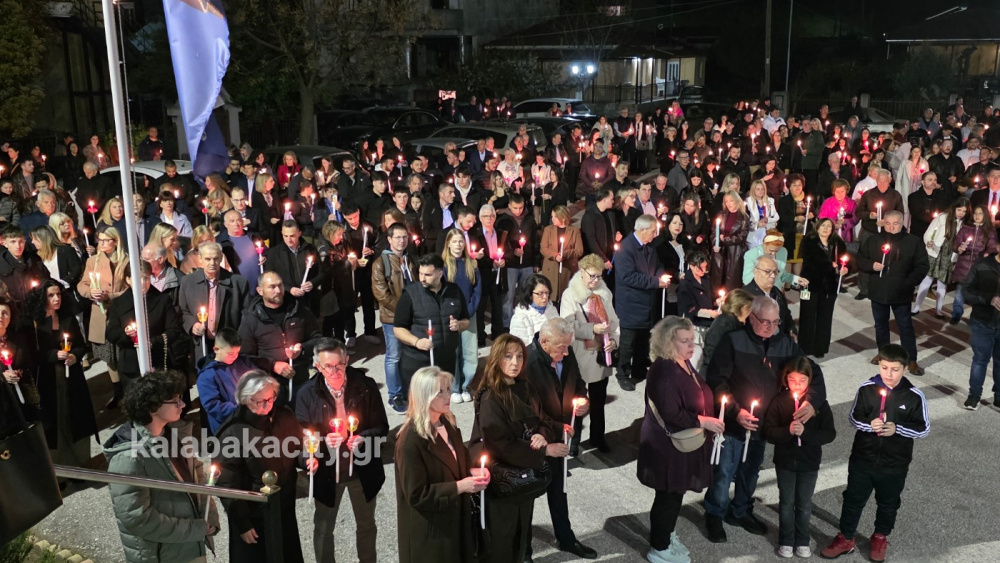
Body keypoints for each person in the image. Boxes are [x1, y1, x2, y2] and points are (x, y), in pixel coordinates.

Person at [704, 295, 827, 543]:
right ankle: (714, 514)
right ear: (751, 317)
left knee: (751, 472)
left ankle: (740, 510)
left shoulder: (785, 344)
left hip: (762, 425)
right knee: (724, 472)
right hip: (734, 423)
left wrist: (812, 402)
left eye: (776, 322)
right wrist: (735, 411)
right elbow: (717, 380)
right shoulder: (733, 341)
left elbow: (811, 370)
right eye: (765, 322)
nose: (771, 327)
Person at [820, 345, 929, 563]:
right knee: (853, 499)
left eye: (895, 369)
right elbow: (854, 418)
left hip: (894, 463)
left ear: (905, 369)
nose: (889, 374)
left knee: (888, 502)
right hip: (863, 458)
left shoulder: (914, 396)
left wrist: (897, 428)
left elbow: (923, 429)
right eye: (884, 367)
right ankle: (846, 537)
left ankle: (880, 536)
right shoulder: (867, 388)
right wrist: (869, 425)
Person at [103, 370, 219, 563]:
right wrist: (195, 529)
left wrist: (210, 516)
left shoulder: (174, 434)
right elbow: (137, 518)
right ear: (153, 407)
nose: (183, 404)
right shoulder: (128, 458)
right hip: (162, 555)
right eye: (175, 400)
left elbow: (196, 473)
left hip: (189, 546)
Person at [469, 335, 567, 563]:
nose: (515, 363)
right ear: (496, 359)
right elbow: (499, 443)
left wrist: (542, 435)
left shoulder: (526, 387)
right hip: (502, 477)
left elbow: (543, 419)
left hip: (524, 474)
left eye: (520, 356)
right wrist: (544, 451)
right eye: (508, 356)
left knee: (522, 529)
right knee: (502, 538)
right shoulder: (491, 396)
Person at [295, 338, 388, 563]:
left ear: (347, 360)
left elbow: (381, 427)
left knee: (367, 525)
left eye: (339, 365)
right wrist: (317, 447)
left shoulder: (365, 386)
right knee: (324, 528)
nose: (335, 372)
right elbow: (299, 438)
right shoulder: (306, 393)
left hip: (362, 470)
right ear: (317, 366)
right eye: (328, 366)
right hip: (327, 473)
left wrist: (363, 438)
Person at [639, 316, 722, 563]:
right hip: (667, 446)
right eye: (684, 341)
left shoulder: (682, 362)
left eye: (692, 340)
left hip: (681, 443)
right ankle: (659, 548)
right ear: (668, 341)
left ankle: (666, 534)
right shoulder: (664, 371)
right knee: (668, 494)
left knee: (675, 493)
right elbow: (671, 414)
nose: (691, 345)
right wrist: (703, 421)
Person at [395, 366, 490, 563]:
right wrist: (461, 486)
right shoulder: (410, 441)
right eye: (440, 392)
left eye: (448, 389)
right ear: (424, 396)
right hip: (432, 532)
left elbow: (459, 459)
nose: (448, 396)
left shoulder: (447, 424)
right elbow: (416, 494)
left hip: (455, 522)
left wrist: (473, 471)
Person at [520, 318, 597, 560]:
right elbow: (527, 413)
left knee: (559, 490)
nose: (565, 353)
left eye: (568, 346)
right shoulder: (528, 364)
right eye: (561, 347)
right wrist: (547, 441)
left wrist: (583, 401)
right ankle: (524, 551)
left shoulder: (566, 352)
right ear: (544, 342)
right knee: (528, 497)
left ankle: (566, 538)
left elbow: (578, 383)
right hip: (538, 441)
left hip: (562, 435)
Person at [214, 369, 307, 562]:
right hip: (254, 515)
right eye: (260, 401)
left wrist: (306, 459)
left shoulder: (284, 416)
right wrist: (242, 523)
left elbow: (298, 447)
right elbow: (227, 483)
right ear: (245, 399)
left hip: (283, 508)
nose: (267, 406)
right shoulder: (233, 432)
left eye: (271, 399)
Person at [761, 358, 836, 558]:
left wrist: (806, 434)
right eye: (793, 380)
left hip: (809, 462)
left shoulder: (817, 405)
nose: (797, 385)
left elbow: (829, 433)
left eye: (802, 380)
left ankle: (802, 539)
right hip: (785, 462)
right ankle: (786, 539)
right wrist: (787, 431)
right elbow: (769, 431)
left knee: (804, 503)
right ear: (786, 379)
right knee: (786, 502)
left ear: (810, 380)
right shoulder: (779, 401)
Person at [559, 254, 619, 452]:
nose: (595, 280)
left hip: (601, 354)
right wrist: (592, 329)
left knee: (598, 401)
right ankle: (574, 441)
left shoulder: (604, 293)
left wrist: (613, 341)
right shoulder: (570, 294)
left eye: (599, 276)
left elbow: (614, 322)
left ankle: (598, 437)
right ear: (582, 272)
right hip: (579, 355)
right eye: (592, 276)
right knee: (577, 401)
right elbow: (567, 325)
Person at [857, 211, 929, 375]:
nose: (891, 227)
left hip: (901, 292)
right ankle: (883, 353)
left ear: (902, 223)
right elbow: (861, 259)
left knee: (905, 327)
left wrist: (909, 282)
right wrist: (871, 265)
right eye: (888, 224)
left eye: (895, 224)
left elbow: (922, 265)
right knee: (880, 325)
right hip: (878, 290)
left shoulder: (913, 242)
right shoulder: (874, 240)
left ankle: (911, 359)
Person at [393, 254, 471, 400]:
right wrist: (416, 342)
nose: (422, 278)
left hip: (446, 361)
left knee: (441, 402)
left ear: (440, 273)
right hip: (418, 362)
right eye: (420, 273)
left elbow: (466, 320)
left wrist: (459, 325)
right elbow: (398, 328)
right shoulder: (410, 294)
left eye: (428, 275)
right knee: (420, 404)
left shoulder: (454, 291)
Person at [239, 271, 322, 406]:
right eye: (272, 287)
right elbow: (245, 355)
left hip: (299, 378)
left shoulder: (299, 310)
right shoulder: (251, 318)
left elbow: (318, 339)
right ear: (260, 291)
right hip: (268, 386)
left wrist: (302, 349)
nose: (278, 290)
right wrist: (273, 365)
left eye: (280, 285)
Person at [105, 261, 189, 393]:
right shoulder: (118, 303)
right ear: (128, 279)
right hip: (131, 364)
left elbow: (174, 330)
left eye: (146, 278)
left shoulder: (162, 300)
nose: (143, 282)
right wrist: (127, 334)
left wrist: (151, 342)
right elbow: (111, 333)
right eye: (138, 278)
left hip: (158, 360)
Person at [616, 215, 671, 391]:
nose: (656, 234)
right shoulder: (625, 248)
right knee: (628, 342)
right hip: (631, 303)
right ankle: (622, 374)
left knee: (643, 339)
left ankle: (639, 369)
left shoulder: (650, 246)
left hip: (647, 302)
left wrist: (661, 275)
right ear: (642, 230)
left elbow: (658, 264)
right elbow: (628, 277)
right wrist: (655, 282)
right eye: (653, 231)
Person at [77, 226, 129, 407]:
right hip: (101, 314)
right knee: (109, 355)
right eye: (100, 240)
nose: (103, 243)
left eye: (107, 240)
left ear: (116, 241)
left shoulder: (126, 260)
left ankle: (129, 388)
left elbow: (130, 288)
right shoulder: (93, 261)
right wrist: (91, 292)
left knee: (124, 353)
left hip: (121, 312)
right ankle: (118, 391)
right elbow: (82, 284)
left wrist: (110, 296)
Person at [178, 242, 252, 361]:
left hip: (228, 344)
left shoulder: (238, 283)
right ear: (200, 259)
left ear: (221, 258)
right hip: (200, 344)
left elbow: (246, 316)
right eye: (207, 259)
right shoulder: (187, 282)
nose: (212, 263)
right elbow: (182, 310)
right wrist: (192, 325)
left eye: (216, 259)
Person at [372, 222, 418, 413]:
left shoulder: (410, 259)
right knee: (394, 355)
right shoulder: (380, 263)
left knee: (409, 355)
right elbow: (382, 295)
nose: (401, 241)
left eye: (404, 237)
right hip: (393, 318)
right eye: (397, 237)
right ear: (389, 239)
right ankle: (395, 394)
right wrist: (403, 311)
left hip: (413, 317)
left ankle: (409, 390)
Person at [440, 228, 481, 403]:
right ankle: (454, 387)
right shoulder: (443, 265)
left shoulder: (471, 264)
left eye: (461, 241)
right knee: (453, 351)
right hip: (451, 315)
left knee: (469, 351)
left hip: (469, 314)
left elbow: (477, 290)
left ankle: (466, 385)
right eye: (455, 241)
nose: (458, 244)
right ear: (448, 244)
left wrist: (469, 311)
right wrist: (451, 313)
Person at [797, 219, 849, 357]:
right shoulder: (809, 241)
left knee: (825, 316)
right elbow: (809, 262)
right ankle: (805, 347)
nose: (826, 228)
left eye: (829, 226)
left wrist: (845, 269)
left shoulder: (837, 243)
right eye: (823, 225)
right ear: (817, 227)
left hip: (829, 285)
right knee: (808, 315)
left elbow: (845, 260)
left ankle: (820, 347)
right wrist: (829, 265)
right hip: (810, 283)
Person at [196, 327, 259, 433]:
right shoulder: (207, 376)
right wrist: (241, 410)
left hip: (249, 420)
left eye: (237, 352)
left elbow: (258, 379)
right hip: (227, 427)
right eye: (230, 354)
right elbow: (212, 405)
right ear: (216, 349)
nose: (235, 357)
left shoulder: (242, 362)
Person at [913, 198, 968, 318]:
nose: (961, 213)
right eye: (959, 210)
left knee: (942, 283)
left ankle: (938, 310)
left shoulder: (963, 224)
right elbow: (929, 232)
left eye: (964, 211)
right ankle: (916, 307)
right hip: (935, 251)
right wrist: (928, 241)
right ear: (954, 208)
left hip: (949, 254)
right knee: (927, 280)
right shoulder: (942, 218)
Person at [855, 170, 905, 300]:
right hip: (869, 231)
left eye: (885, 182)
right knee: (866, 259)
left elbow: (900, 214)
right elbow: (858, 212)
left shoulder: (895, 195)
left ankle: (883, 286)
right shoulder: (868, 194)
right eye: (879, 181)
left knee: (887, 260)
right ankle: (863, 289)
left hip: (887, 233)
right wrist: (869, 215)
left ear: (890, 181)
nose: (882, 184)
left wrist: (888, 221)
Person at [951, 204, 996, 325]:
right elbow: (956, 243)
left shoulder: (989, 231)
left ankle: (974, 317)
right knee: (960, 292)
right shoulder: (966, 228)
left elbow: (992, 247)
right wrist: (959, 248)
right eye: (975, 213)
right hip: (963, 264)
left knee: (976, 294)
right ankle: (956, 314)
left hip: (978, 266)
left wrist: (987, 254)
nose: (977, 216)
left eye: (980, 213)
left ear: (985, 215)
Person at [699, 288, 753, 372]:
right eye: (749, 309)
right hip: (715, 373)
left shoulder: (737, 323)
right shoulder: (724, 323)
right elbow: (712, 351)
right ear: (742, 308)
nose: (751, 312)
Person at [539, 205, 583, 303]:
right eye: (552, 216)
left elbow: (579, 250)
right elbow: (543, 248)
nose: (552, 219)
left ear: (563, 217)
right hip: (551, 268)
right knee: (551, 296)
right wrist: (555, 255)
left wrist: (565, 254)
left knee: (565, 298)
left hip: (567, 269)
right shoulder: (548, 230)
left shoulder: (574, 231)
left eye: (555, 216)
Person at [744, 255, 796, 337]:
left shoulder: (777, 293)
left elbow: (786, 316)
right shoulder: (746, 296)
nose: (773, 276)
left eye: (775, 272)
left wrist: (792, 332)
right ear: (756, 271)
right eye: (767, 272)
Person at [711, 190, 750, 291]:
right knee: (718, 279)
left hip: (735, 252)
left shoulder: (744, 217)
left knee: (731, 281)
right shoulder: (721, 215)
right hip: (720, 251)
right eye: (726, 201)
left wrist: (725, 239)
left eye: (731, 201)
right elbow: (714, 232)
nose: (728, 204)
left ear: (737, 201)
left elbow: (742, 236)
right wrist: (715, 243)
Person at [509, 273, 558, 346]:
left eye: (547, 293)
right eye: (540, 293)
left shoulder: (552, 310)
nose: (545, 297)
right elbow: (519, 346)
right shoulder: (520, 317)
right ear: (530, 295)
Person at [30, 225, 82, 290]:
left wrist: (62, 283)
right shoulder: (35, 256)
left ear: (44, 239)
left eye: (35, 239)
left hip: (66, 290)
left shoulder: (66, 250)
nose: (32, 242)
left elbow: (76, 270)